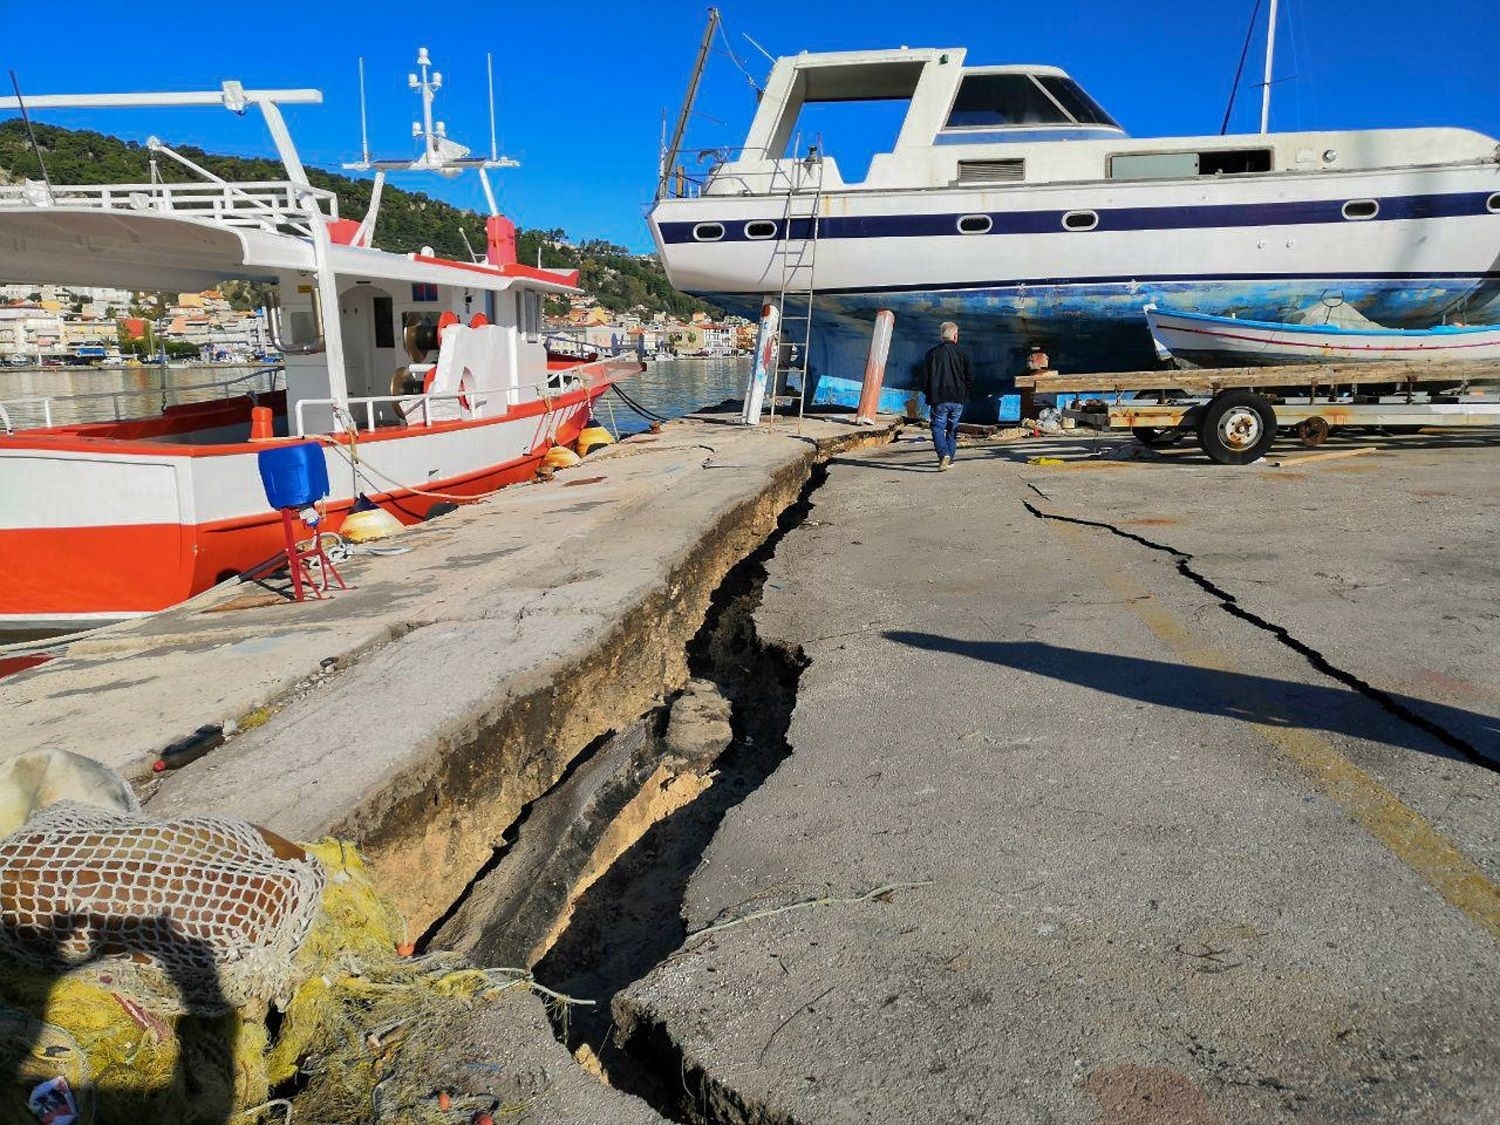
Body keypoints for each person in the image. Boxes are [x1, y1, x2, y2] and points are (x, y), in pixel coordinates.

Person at [921, 321, 973, 470]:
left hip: (938, 397)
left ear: (941, 336)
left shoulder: (932, 353)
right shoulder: (962, 353)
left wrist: (927, 392)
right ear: (955, 336)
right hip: (958, 398)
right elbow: (970, 376)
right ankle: (950, 458)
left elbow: (924, 377)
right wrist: (965, 391)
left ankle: (944, 455)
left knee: (937, 428)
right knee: (952, 429)